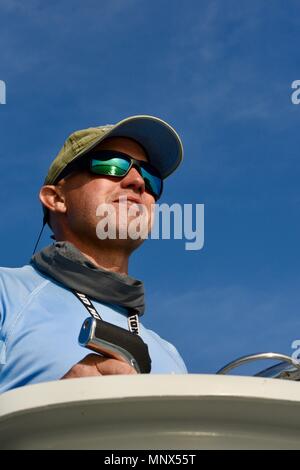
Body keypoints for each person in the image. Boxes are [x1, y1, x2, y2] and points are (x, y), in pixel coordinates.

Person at [0, 114, 187, 393]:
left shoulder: (171, 357)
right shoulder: (6, 293)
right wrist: (57, 409)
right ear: (56, 199)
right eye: (112, 165)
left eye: (151, 177)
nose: (137, 181)